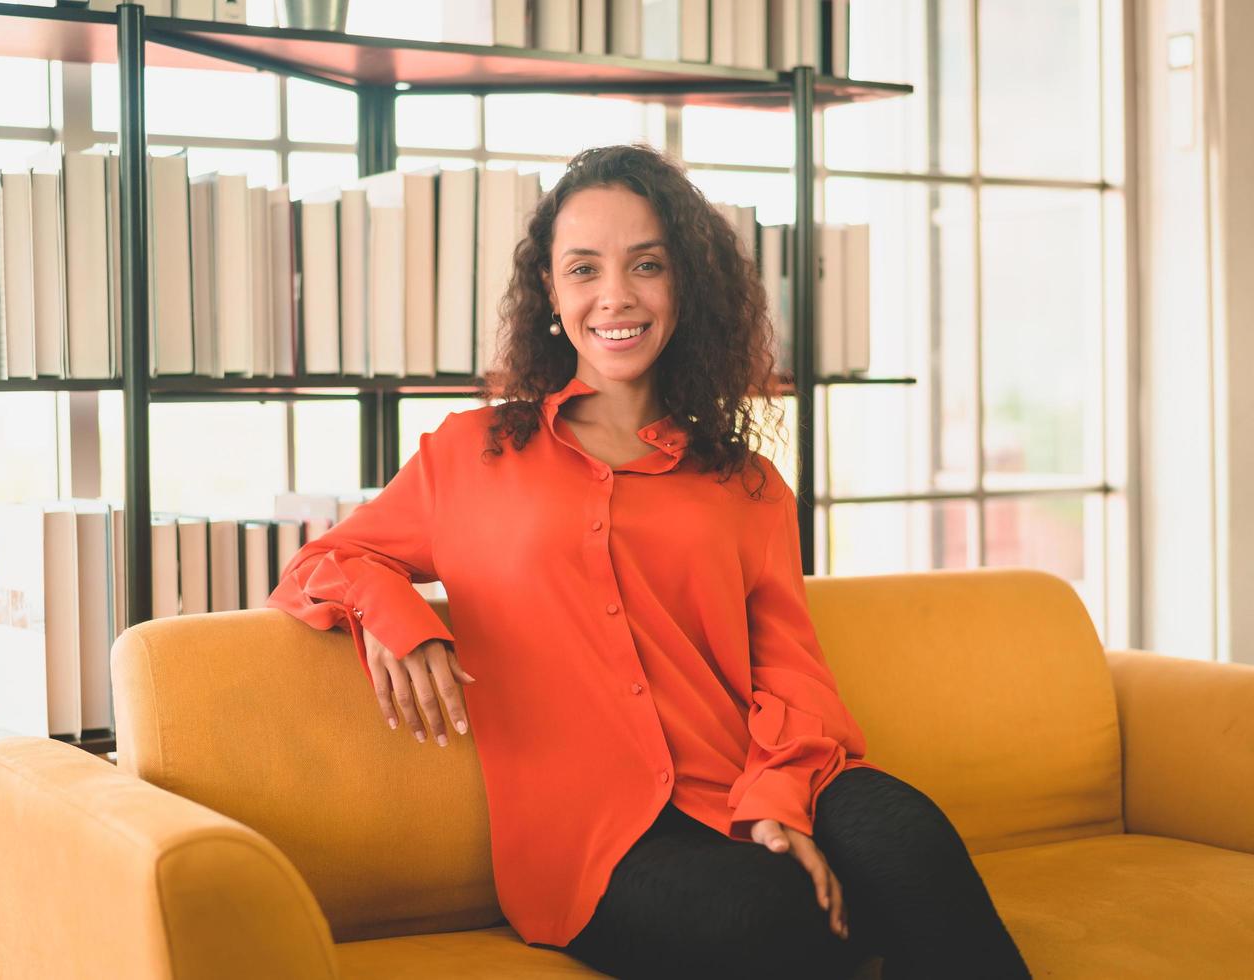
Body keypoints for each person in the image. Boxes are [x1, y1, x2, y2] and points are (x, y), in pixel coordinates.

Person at [267, 143, 1030, 980]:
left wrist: (779, 804)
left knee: (908, 838)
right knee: (771, 920)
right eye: (584, 269)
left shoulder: (746, 484)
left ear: (683, 288)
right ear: (552, 296)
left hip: (755, 772)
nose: (615, 296)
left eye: (647, 265)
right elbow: (325, 561)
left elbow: (791, 674)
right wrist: (398, 621)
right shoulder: (468, 456)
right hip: (597, 840)